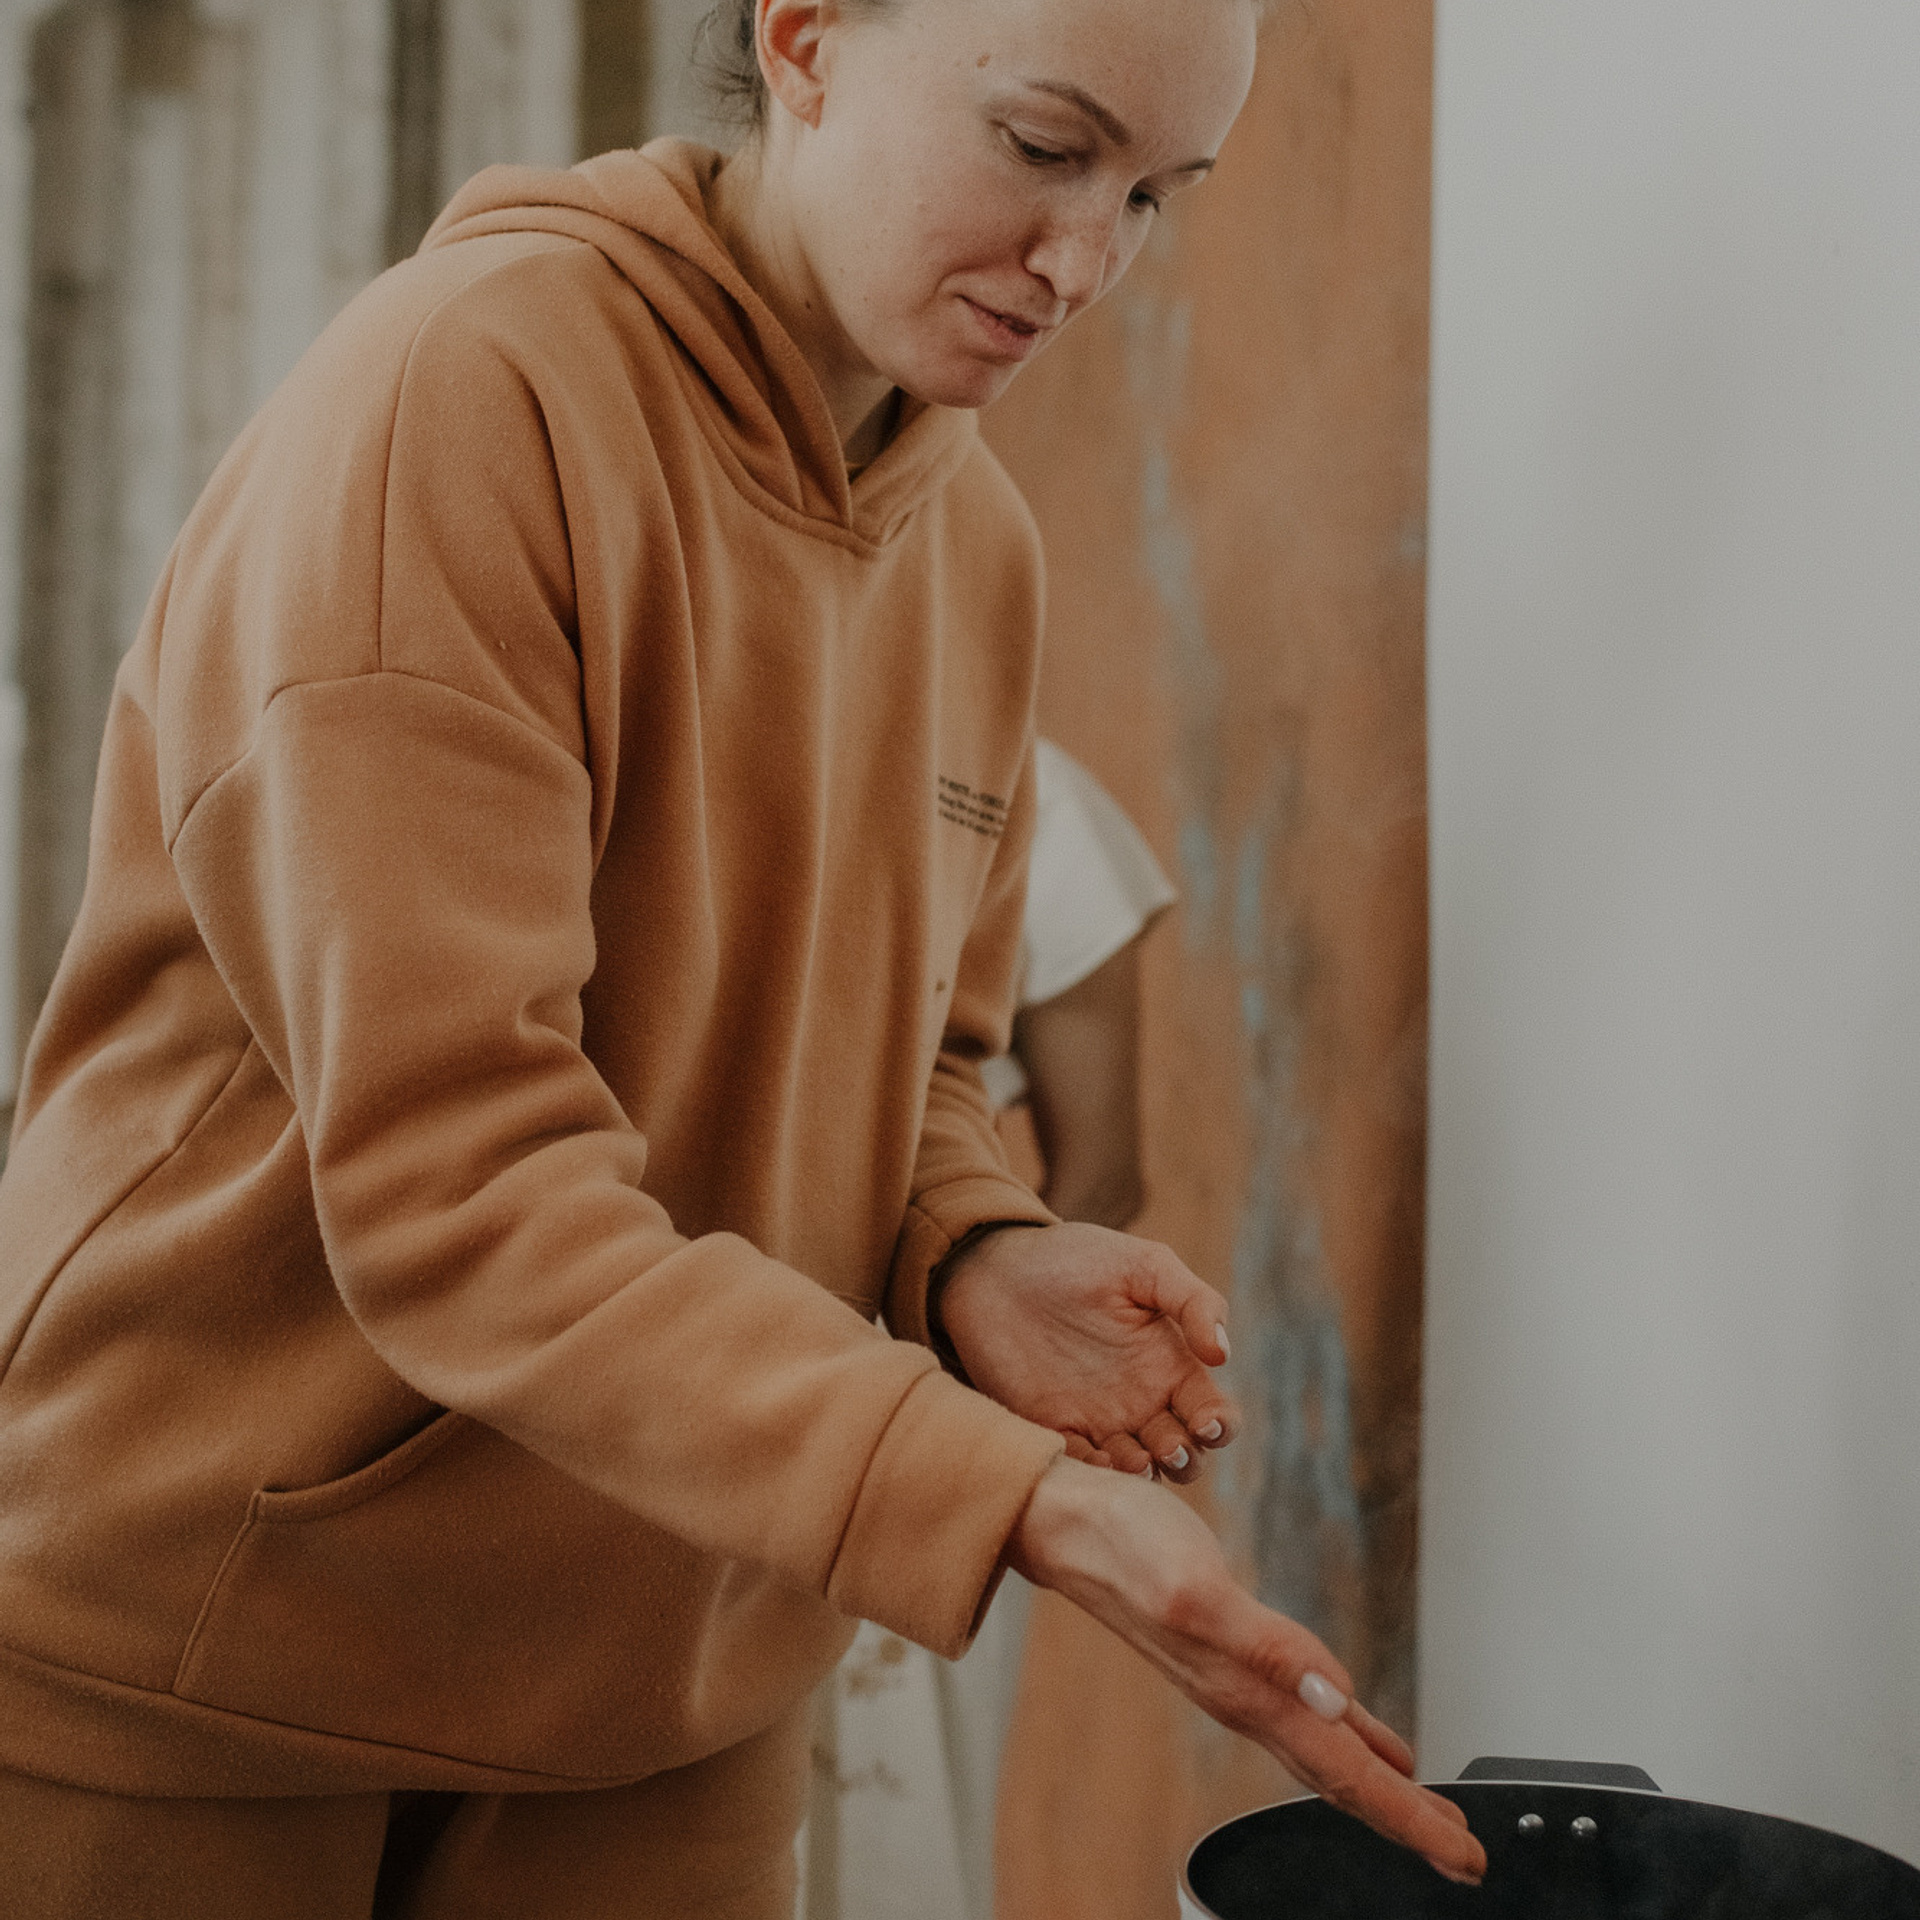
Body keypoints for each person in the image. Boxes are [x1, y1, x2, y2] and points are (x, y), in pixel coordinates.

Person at [0, 1, 1486, 1914]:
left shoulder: (978, 544)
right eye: (1045, 149)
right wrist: (1010, 1502)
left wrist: (978, 1244)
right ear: (801, 39)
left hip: (668, 1679)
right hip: (211, 1655)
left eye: (1155, 195)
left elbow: (925, 1058)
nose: (1088, 262)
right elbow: (456, 1182)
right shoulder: (460, 405)